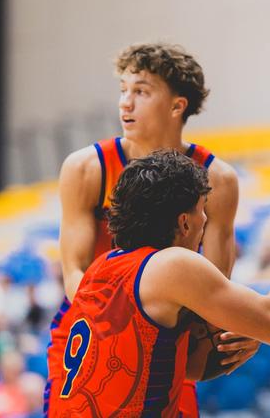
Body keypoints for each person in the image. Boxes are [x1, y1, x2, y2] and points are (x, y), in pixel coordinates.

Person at [52, 43, 258, 416]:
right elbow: (73, 273)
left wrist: (237, 327)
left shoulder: (218, 179)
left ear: (177, 106)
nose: (125, 103)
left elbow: (215, 283)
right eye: (123, 90)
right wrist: (124, 318)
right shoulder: (87, 168)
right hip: (91, 328)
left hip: (167, 329)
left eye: (141, 91)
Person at [46, 150, 270, 417]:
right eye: (202, 210)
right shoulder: (173, 265)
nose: (205, 221)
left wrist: (248, 329)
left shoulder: (101, 267)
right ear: (184, 222)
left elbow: (177, 367)